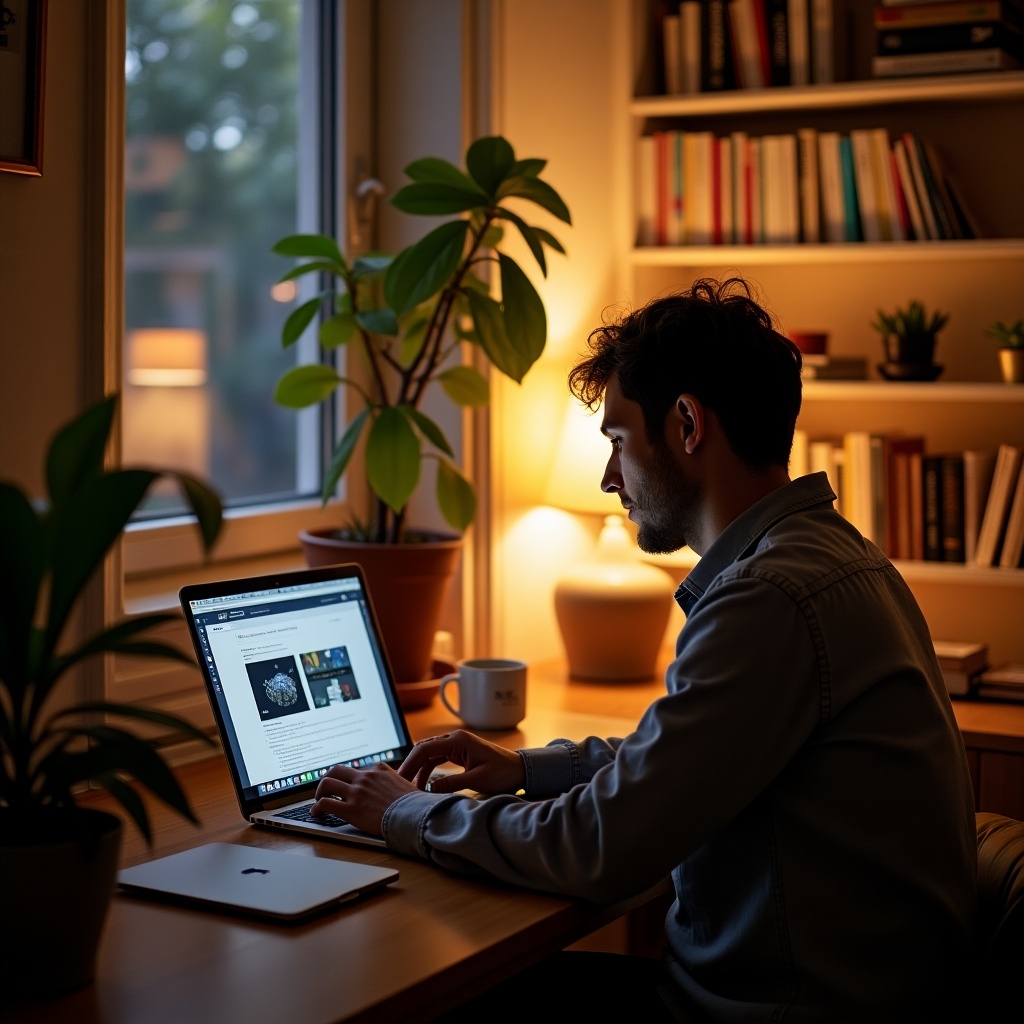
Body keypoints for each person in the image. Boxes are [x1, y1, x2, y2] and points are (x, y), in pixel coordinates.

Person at [312, 277, 977, 1022]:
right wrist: (526, 769)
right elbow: (691, 760)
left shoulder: (766, 599)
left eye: (619, 441)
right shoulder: (832, 556)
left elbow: (600, 847)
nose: (607, 477)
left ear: (687, 424)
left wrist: (405, 814)